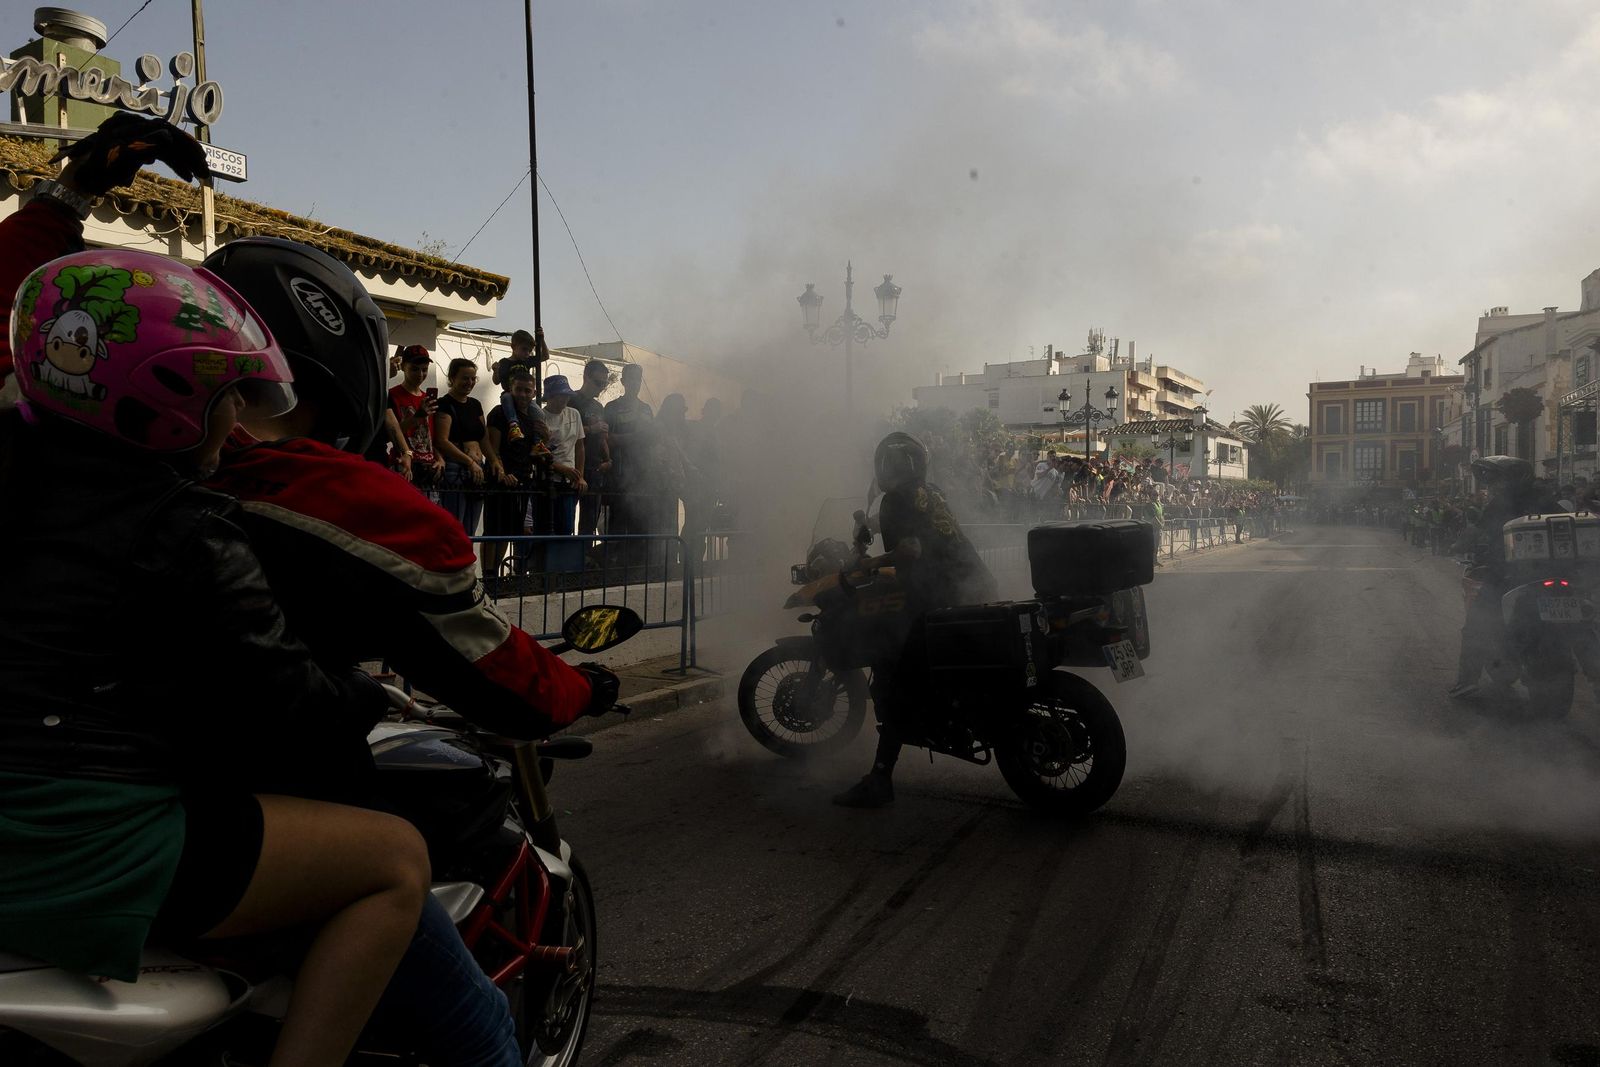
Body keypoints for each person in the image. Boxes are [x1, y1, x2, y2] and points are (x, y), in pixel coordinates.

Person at [0, 248, 432, 1067]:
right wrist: (370, 695)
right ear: (159, 399)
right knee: (397, 860)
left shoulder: (19, 472)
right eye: (225, 395)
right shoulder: (188, 528)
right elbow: (292, 704)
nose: (239, 419)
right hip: (78, 844)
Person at [833, 432, 998, 808]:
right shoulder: (929, 491)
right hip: (975, 586)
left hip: (939, 600)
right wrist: (869, 527)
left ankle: (879, 778)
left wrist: (870, 562)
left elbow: (911, 548)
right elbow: (919, 523)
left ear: (886, 467)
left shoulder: (895, 499)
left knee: (895, 679)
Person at [1449, 456, 1560, 699]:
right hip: (1554, 572)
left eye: (1498, 480)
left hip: (1509, 574)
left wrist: (1457, 546)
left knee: (1477, 624)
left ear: (1511, 479)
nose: (1494, 486)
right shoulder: (1546, 498)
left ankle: (1467, 680)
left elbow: (1476, 531)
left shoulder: (1502, 503)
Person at [482, 367, 549, 583]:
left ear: (534, 393)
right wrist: (502, 472)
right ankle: (488, 575)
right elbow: (492, 447)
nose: (523, 394)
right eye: (519, 390)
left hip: (522, 480)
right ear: (511, 389)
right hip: (499, 478)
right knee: (493, 530)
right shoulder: (499, 413)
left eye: (527, 391)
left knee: (508, 531)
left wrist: (545, 439)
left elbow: (533, 451)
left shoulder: (532, 417)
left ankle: (496, 578)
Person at [435, 357, 489, 535]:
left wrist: (495, 461)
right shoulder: (445, 404)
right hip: (456, 469)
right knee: (454, 528)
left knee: (470, 530)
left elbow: (484, 437)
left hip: (477, 469)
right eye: (465, 378)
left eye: (473, 378)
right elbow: (442, 440)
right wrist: (469, 462)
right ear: (452, 378)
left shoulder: (475, 405)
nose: (470, 383)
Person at [603, 362, 655, 549]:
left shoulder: (646, 409)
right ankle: (614, 565)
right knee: (617, 523)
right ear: (624, 381)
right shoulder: (612, 407)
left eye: (638, 379)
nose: (635, 383)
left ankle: (637, 567)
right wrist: (633, 438)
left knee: (640, 524)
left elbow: (651, 438)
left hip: (642, 476)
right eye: (631, 379)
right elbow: (606, 438)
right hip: (619, 475)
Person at [542, 373, 589, 573]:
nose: (564, 399)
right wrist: (561, 468)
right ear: (550, 396)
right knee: (546, 529)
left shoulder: (573, 414)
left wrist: (580, 476)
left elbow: (580, 447)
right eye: (560, 395)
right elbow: (539, 451)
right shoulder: (541, 416)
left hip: (570, 481)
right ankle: (545, 572)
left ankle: (564, 573)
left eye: (566, 395)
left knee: (566, 528)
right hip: (547, 479)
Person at [388, 344, 444, 491]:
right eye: (415, 369)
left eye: (424, 370)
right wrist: (418, 416)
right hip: (404, 464)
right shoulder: (392, 395)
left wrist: (440, 459)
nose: (420, 374)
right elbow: (392, 431)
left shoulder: (427, 398)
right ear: (403, 367)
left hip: (429, 467)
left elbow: (430, 437)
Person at [572, 359, 613, 539]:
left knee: (589, 521)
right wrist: (591, 429)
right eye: (598, 383)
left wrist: (608, 459)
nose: (601, 388)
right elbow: (566, 432)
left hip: (595, 468)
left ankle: (585, 558)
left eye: (604, 384)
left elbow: (602, 436)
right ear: (586, 377)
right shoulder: (572, 400)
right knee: (567, 520)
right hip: (574, 467)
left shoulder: (598, 406)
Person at [490, 329, 542, 443]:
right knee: (506, 398)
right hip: (509, 393)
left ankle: (537, 441)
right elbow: (496, 381)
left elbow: (544, 356)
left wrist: (541, 339)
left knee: (539, 413)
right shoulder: (505, 362)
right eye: (524, 349)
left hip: (524, 397)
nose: (527, 353)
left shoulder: (527, 361)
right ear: (513, 347)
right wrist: (496, 371)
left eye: (529, 350)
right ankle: (514, 425)